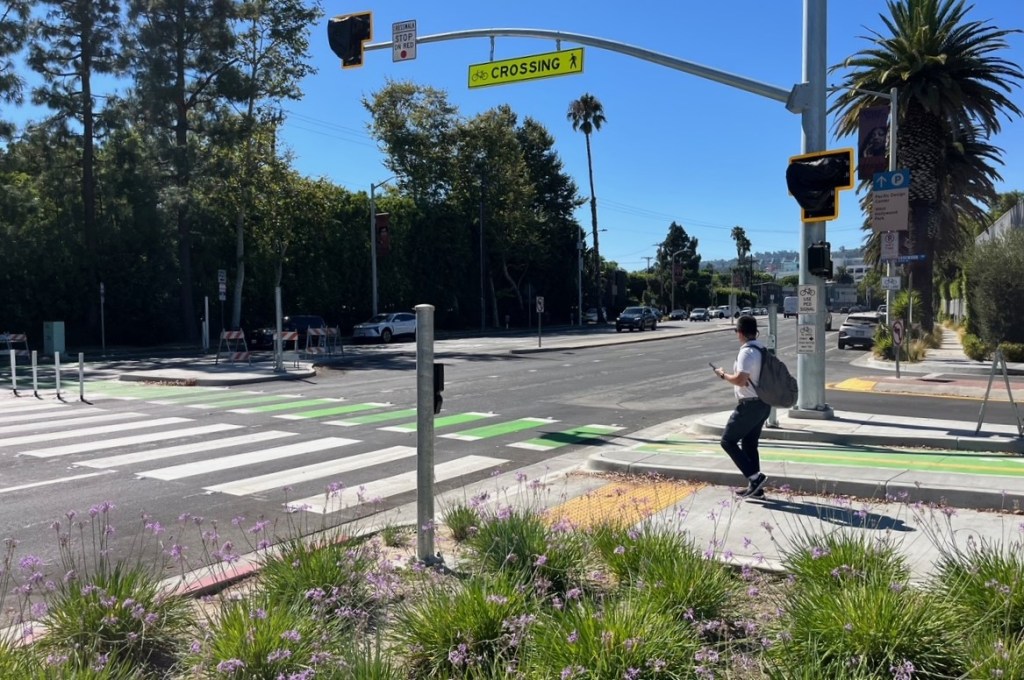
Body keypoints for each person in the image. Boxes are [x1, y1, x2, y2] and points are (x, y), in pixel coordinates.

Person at [713, 314, 771, 499]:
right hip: (763, 403)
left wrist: (723, 375)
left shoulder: (746, 351)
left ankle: (755, 478)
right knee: (749, 443)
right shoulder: (762, 348)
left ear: (741, 332)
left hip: (750, 406)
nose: (737, 334)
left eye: (737, 331)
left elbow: (739, 380)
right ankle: (756, 489)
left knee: (727, 441)